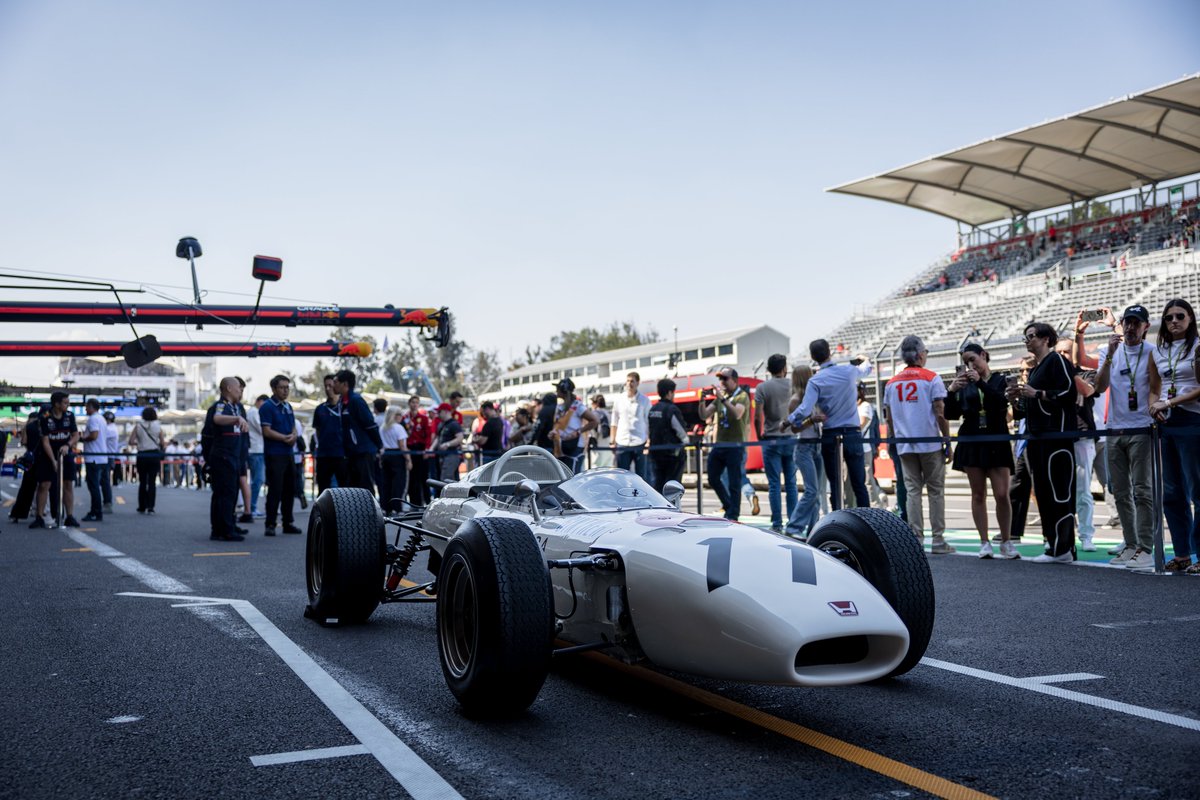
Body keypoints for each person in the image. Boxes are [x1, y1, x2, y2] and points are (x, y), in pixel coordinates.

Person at [1080, 305, 1155, 570]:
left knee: (1143, 490)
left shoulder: (1152, 353)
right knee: (1119, 491)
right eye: (1128, 322)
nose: (1132, 327)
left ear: (1146, 326)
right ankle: (1131, 544)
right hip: (1114, 430)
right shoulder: (1109, 351)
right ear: (1122, 324)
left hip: (1142, 429)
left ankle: (1146, 548)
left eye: (1137, 323)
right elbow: (1099, 387)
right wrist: (1110, 355)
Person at [1007, 322, 1078, 564]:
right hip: (1038, 438)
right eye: (1025, 337)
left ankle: (1063, 548)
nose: (1027, 341)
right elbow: (1027, 410)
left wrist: (1036, 394)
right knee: (1045, 493)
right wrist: (1017, 400)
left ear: (1046, 338)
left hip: (1055, 438)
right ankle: (1054, 545)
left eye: (1032, 336)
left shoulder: (1057, 361)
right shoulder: (1036, 369)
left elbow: (1069, 393)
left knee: (1058, 493)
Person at [945, 344, 1018, 559]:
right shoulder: (964, 385)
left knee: (1002, 494)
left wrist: (979, 383)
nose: (970, 364)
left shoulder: (999, 380)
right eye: (966, 361)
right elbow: (951, 414)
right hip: (972, 440)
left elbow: (1000, 402)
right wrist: (951, 391)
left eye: (973, 359)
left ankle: (1006, 541)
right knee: (978, 494)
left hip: (997, 438)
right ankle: (984, 541)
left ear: (984, 356)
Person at [884, 335, 953, 554]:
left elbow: (889, 417)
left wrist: (892, 440)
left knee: (912, 490)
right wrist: (946, 439)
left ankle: (917, 539)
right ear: (921, 354)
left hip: (904, 442)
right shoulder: (932, 378)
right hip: (930, 442)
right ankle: (939, 540)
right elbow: (940, 412)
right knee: (935, 491)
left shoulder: (892, 382)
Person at [1147, 299, 1200, 573]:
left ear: (1190, 318)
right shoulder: (1158, 351)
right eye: (1169, 318)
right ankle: (1182, 554)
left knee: (1197, 488)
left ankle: (1199, 553)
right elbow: (1155, 387)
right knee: (1171, 491)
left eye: (1180, 316)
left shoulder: (1198, 346)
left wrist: (1169, 403)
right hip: (1166, 422)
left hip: (1193, 418)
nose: (1174, 321)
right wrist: (1153, 406)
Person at [788, 340, 872, 511]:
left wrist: (789, 420)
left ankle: (838, 522)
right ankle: (868, 523)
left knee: (835, 483)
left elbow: (804, 409)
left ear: (813, 357)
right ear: (830, 352)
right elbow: (867, 369)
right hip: (852, 433)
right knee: (859, 483)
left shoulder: (815, 380)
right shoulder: (848, 371)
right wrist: (865, 358)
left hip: (830, 434)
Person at [698, 369, 750, 520]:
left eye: (725, 379)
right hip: (719, 444)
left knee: (734, 481)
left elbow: (737, 414)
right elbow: (704, 415)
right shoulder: (721, 398)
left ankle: (734, 513)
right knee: (712, 478)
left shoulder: (742, 396)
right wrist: (702, 401)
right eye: (720, 379)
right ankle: (728, 505)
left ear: (734, 380)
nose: (722, 382)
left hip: (735, 445)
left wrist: (722, 399)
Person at [755, 354, 797, 533]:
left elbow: (757, 416)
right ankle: (794, 522)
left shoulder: (762, 387)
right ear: (784, 368)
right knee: (791, 483)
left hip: (771, 438)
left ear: (769, 370)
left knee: (774, 484)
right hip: (791, 437)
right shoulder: (792, 385)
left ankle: (777, 523)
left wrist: (759, 435)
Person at [205, 377, 249, 542]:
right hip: (224, 456)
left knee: (223, 493)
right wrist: (237, 419)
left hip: (230, 456)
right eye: (238, 387)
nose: (240, 390)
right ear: (229, 388)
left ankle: (219, 529)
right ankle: (226, 530)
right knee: (226, 494)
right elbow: (217, 418)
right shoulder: (222, 406)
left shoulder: (233, 407)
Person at [259, 374, 301, 536]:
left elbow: (293, 427)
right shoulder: (267, 407)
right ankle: (270, 524)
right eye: (282, 387)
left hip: (289, 453)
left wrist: (294, 436)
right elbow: (266, 431)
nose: (285, 390)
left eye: (287, 387)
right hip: (274, 454)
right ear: (274, 389)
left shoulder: (288, 406)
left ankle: (287, 522)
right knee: (275, 489)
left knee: (289, 489)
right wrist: (285, 438)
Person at [30, 391, 80, 529]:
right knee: (44, 485)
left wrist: (67, 445)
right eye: (65, 402)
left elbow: (76, 435)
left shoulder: (70, 416)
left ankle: (69, 516)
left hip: (65, 454)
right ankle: (39, 517)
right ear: (56, 404)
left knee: (68, 484)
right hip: (47, 455)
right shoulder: (45, 417)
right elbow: (45, 441)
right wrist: (53, 460)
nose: (67, 405)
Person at [785, 364, 824, 538]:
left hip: (816, 445)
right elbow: (794, 429)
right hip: (804, 447)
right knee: (812, 491)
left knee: (816, 493)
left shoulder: (813, 397)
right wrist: (811, 420)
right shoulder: (795, 400)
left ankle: (813, 530)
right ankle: (794, 527)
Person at [334, 369, 383, 492]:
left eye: (335, 382)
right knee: (351, 489)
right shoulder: (341, 402)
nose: (333, 385)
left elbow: (370, 424)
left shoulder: (356, 400)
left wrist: (379, 445)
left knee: (365, 487)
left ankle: (370, 511)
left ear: (345, 384)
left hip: (363, 452)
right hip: (350, 453)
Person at [647, 378, 688, 493]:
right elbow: (682, 433)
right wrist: (686, 441)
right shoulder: (672, 409)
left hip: (655, 453)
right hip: (672, 455)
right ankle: (672, 509)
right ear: (669, 393)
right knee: (672, 487)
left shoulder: (653, 409)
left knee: (658, 485)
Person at [550, 379, 598, 473]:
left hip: (574, 447)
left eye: (558, 388)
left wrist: (578, 432)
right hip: (560, 447)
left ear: (564, 390)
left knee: (572, 476)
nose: (556, 391)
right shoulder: (560, 406)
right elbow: (558, 425)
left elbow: (595, 421)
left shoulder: (577, 405)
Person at [312, 375, 347, 495]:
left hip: (342, 454)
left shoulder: (345, 407)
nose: (328, 388)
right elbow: (317, 431)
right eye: (326, 386)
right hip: (324, 455)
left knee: (345, 488)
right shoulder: (320, 409)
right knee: (323, 490)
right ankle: (323, 513)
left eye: (331, 385)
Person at [855, 383, 889, 509]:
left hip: (865, 448)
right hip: (855, 447)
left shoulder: (866, 406)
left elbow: (863, 424)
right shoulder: (852, 406)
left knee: (867, 479)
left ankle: (876, 505)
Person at [611, 372, 650, 476]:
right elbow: (614, 421)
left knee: (641, 476)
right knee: (621, 476)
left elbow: (648, 421)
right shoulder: (619, 399)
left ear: (638, 383)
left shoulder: (645, 400)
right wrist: (612, 441)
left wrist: (648, 441)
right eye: (627, 381)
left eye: (632, 381)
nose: (629, 383)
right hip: (622, 442)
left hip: (640, 442)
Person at [377, 406, 412, 512]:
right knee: (399, 483)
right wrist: (408, 459)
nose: (402, 417)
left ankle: (386, 507)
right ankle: (397, 507)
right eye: (400, 414)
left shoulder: (382, 427)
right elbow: (402, 446)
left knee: (386, 482)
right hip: (397, 455)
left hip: (386, 455)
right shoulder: (398, 427)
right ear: (394, 416)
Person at [130, 406, 164, 514]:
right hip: (154, 455)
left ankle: (142, 506)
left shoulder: (138, 426)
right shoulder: (158, 426)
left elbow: (131, 441)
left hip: (142, 455)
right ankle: (151, 507)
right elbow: (162, 443)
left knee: (143, 481)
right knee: (152, 482)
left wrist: (140, 443)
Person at [401, 394, 432, 505]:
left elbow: (428, 435)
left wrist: (427, 449)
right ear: (409, 403)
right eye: (412, 402)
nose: (414, 405)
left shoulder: (423, 418)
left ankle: (428, 502)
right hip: (409, 450)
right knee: (412, 478)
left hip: (421, 449)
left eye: (416, 403)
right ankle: (415, 503)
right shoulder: (404, 418)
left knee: (423, 477)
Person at [80, 399, 107, 522]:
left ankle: (96, 512)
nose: (85, 409)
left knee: (93, 486)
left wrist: (82, 438)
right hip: (100, 457)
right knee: (95, 485)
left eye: (86, 407)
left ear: (91, 407)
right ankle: (96, 511)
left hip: (93, 457)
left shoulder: (93, 419)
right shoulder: (102, 418)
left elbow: (94, 435)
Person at [245, 394, 266, 518]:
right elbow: (262, 429)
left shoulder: (253, 412)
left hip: (256, 450)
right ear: (258, 401)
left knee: (257, 480)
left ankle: (251, 507)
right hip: (255, 450)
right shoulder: (254, 412)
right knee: (257, 480)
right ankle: (251, 507)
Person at [432, 403, 465, 481]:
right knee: (449, 478)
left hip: (451, 455)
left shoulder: (454, 424)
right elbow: (438, 437)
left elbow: (460, 438)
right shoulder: (441, 424)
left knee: (446, 478)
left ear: (446, 411)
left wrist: (448, 444)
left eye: (439, 412)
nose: (438, 414)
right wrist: (431, 448)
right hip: (443, 456)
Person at [590, 395, 613, 467]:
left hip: (598, 444)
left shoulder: (594, 413)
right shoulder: (608, 413)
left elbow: (592, 432)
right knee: (607, 468)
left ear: (596, 403)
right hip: (608, 445)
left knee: (596, 469)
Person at [101, 410, 117, 511]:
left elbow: (99, 435)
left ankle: (108, 502)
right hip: (108, 456)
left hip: (107, 457)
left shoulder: (110, 429)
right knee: (104, 480)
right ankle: (107, 501)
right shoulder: (112, 428)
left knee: (105, 480)